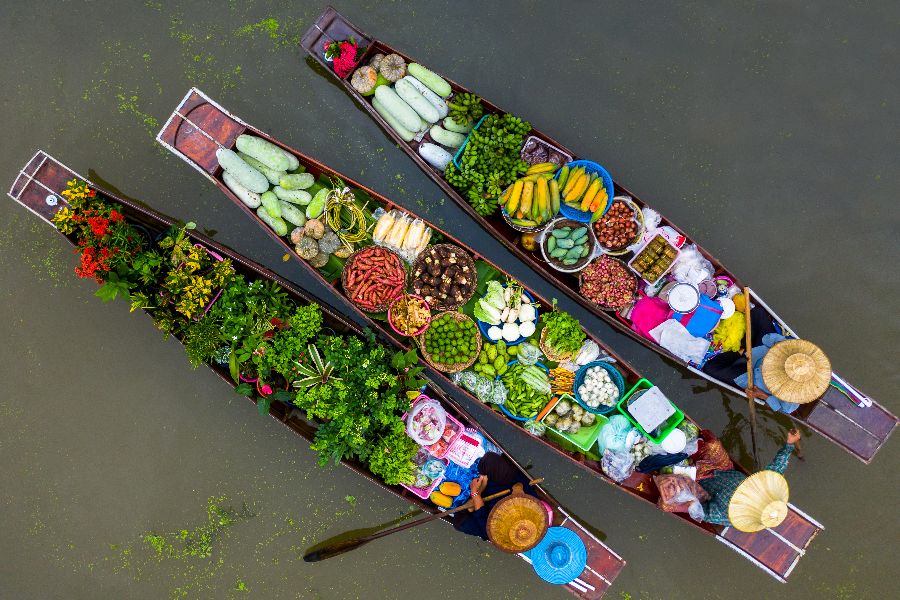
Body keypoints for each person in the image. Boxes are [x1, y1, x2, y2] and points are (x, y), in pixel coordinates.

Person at [699, 429, 801, 527]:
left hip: (700, 480)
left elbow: (699, 511)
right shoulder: (764, 488)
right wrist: (789, 444)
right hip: (724, 469)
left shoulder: (730, 515)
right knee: (713, 444)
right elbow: (777, 467)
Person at [452, 452, 538, 540]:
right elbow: (522, 484)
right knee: (489, 460)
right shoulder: (531, 506)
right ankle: (477, 494)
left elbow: (482, 516)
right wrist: (518, 489)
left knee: (459, 523)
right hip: (504, 488)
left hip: (484, 507)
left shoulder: (496, 533)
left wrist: (476, 493)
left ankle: (473, 501)